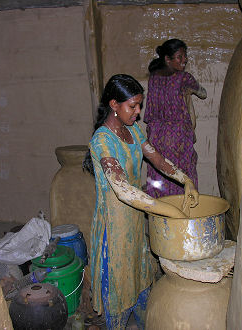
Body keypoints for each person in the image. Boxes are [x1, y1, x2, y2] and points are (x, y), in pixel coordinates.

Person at [82, 74, 199, 329]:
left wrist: (185, 179)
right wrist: (167, 209)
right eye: (132, 106)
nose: (138, 111)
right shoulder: (102, 140)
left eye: (139, 105)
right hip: (113, 227)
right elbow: (123, 190)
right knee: (119, 286)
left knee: (140, 278)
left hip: (135, 218)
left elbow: (156, 159)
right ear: (114, 104)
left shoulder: (133, 130)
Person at [144, 38, 207, 198]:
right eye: (180, 56)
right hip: (179, 138)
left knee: (159, 174)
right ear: (167, 59)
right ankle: (184, 213)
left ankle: (160, 215)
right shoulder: (183, 78)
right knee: (183, 176)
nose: (184, 60)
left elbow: (149, 114)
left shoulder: (153, 78)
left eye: (185, 56)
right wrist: (190, 91)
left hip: (157, 137)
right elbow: (203, 93)